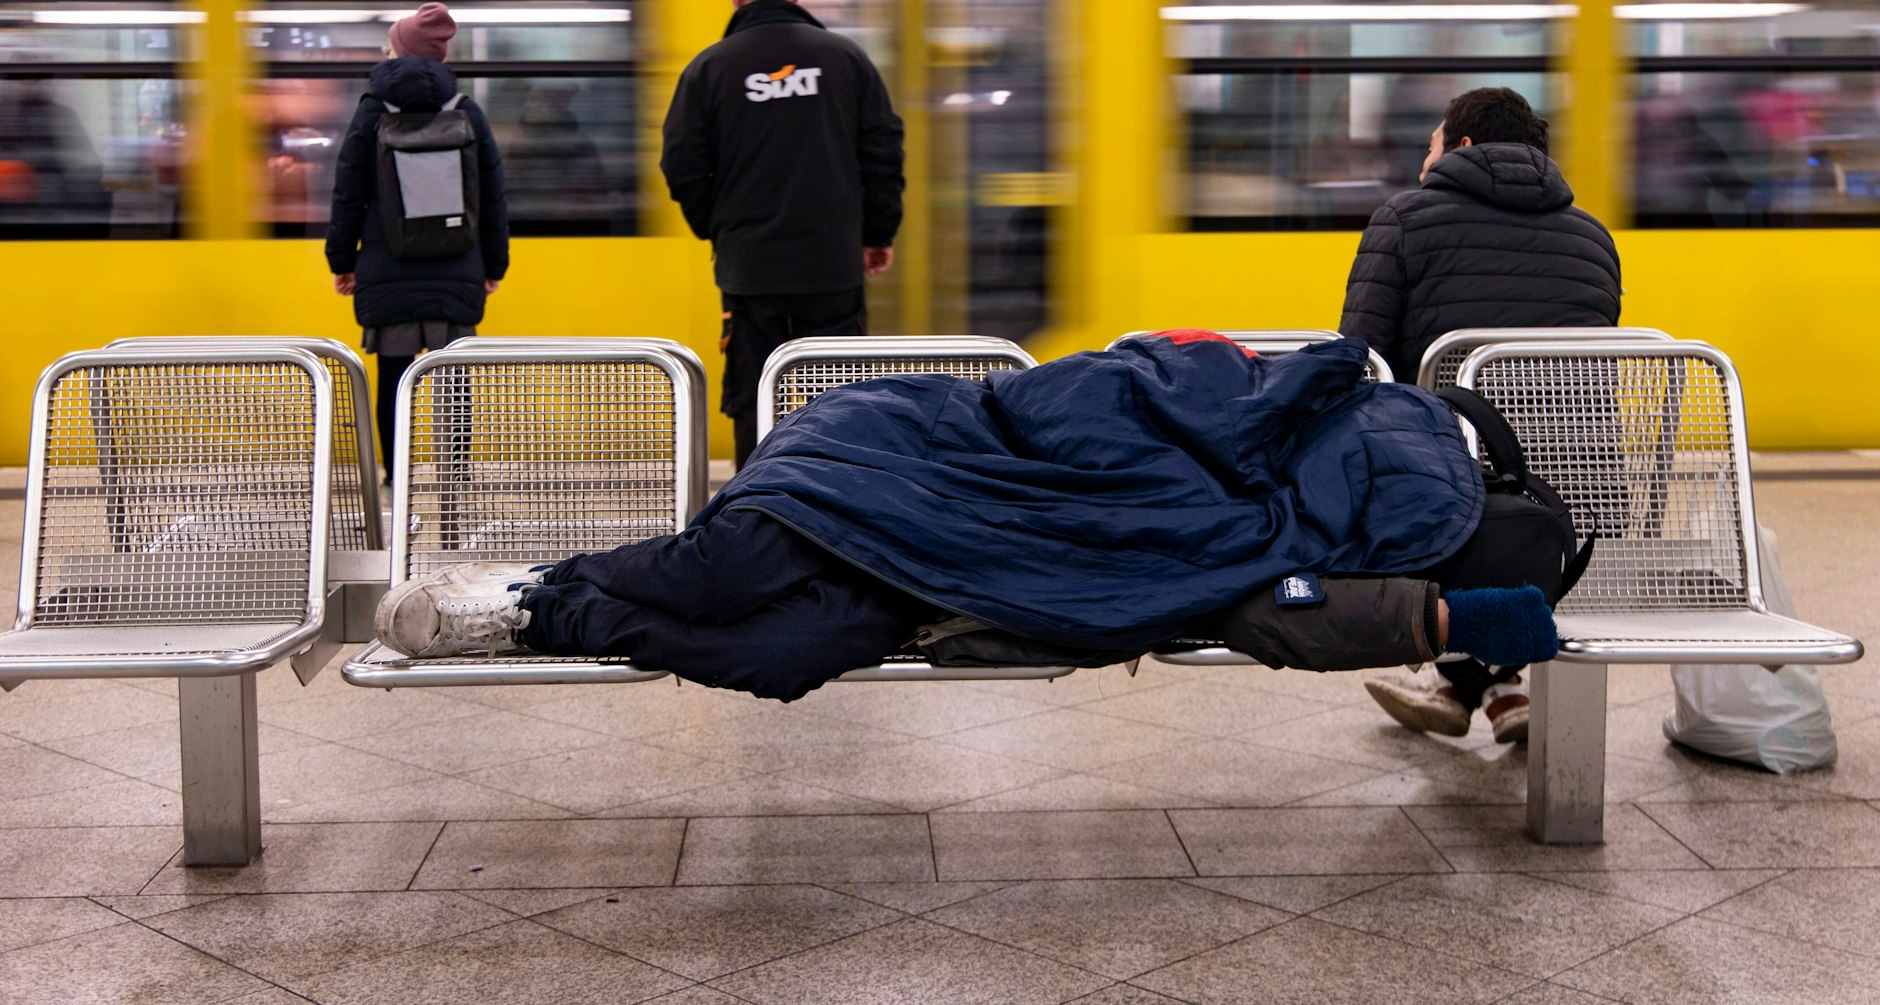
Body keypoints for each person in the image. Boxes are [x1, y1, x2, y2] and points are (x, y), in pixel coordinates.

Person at [374, 333, 1567, 703]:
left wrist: (1451, 612)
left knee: (780, 653)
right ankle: (527, 587)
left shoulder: (1318, 531)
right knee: (720, 569)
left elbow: (1279, 613)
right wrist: (1464, 608)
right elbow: (1100, 392)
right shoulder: (1302, 394)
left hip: (964, 566)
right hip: (899, 448)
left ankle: (550, 611)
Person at [1339, 86, 1621, 744]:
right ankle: (1493, 688)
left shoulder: (1403, 218)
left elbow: (1362, 362)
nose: (1423, 159)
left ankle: (1466, 680)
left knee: (1420, 482)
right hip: (1576, 508)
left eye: (1431, 144)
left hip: (1451, 504)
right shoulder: (1594, 238)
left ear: (1463, 147)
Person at [661, 0, 906, 468]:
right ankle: (839, 495)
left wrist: (721, 228)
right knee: (841, 390)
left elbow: (680, 164)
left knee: (755, 392)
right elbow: (883, 151)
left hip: (751, 270)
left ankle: (759, 507)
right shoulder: (846, 59)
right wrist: (877, 234)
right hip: (833, 264)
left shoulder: (711, 68)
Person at [325, 2, 510, 482]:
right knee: (453, 375)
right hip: (458, 262)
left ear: (397, 48)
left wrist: (342, 261)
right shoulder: (466, 110)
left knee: (392, 375)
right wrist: (495, 264)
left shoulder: (371, 111)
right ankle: (455, 471)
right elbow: (492, 195)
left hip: (387, 267)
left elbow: (348, 192)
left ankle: (397, 474)